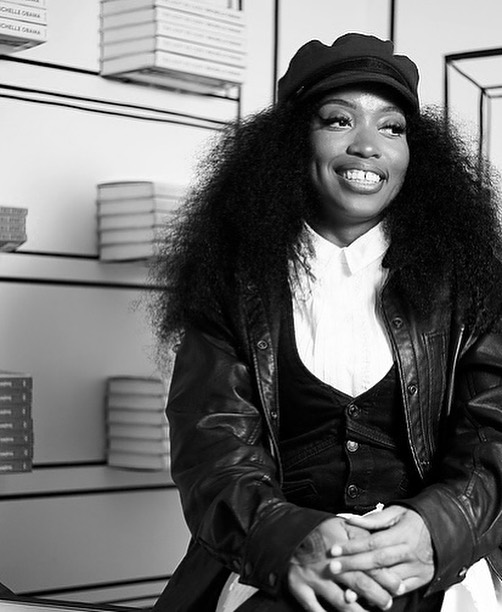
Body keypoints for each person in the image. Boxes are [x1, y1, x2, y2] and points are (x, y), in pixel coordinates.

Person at [148, 32, 502, 612]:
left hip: (436, 565)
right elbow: (211, 452)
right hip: (285, 565)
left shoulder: (469, 282)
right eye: (339, 121)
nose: (369, 146)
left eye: (392, 128)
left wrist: (435, 531)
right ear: (291, 145)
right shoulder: (234, 285)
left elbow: (495, 437)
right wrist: (291, 540)